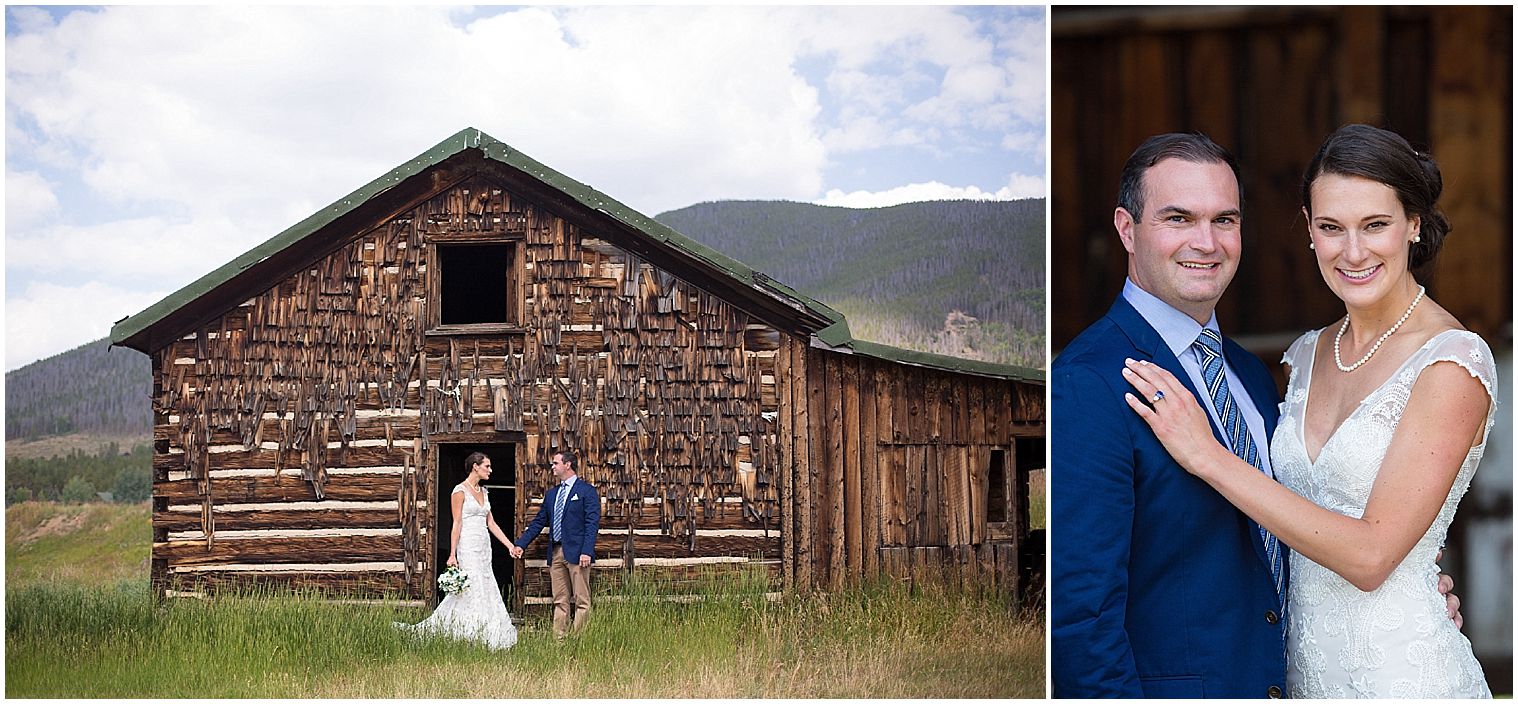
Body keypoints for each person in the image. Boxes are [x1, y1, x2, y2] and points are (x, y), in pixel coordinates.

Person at [1051, 131, 1463, 698]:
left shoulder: (1249, 372)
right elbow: (1080, 617)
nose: (1206, 241)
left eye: (1225, 219)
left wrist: (1412, 587)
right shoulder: (1089, 381)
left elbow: (1298, 527)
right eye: (1178, 218)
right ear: (1127, 229)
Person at [395, 452, 518, 650]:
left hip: (484, 545)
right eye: (487, 466)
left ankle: (487, 627)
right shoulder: (459, 491)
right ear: (475, 467)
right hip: (467, 544)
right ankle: (465, 629)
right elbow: (457, 523)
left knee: (485, 582)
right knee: (470, 584)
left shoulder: (484, 492)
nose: (490, 470)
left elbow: (491, 522)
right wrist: (452, 554)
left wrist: (509, 545)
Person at [510, 450, 600, 638]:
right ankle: (559, 640)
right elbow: (539, 522)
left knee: (582, 599)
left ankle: (579, 640)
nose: (552, 466)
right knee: (560, 599)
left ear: (568, 465)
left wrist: (587, 551)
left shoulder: (586, 491)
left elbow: (592, 524)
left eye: (555, 463)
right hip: (556, 552)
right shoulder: (552, 494)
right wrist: (521, 544)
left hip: (577, 553)